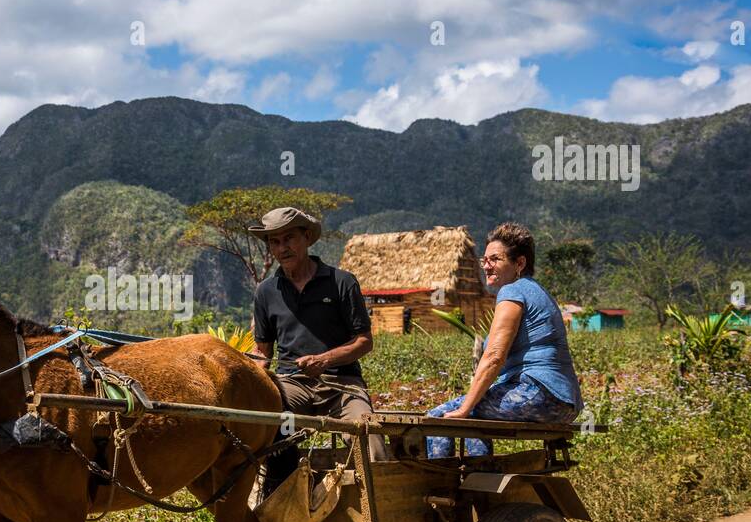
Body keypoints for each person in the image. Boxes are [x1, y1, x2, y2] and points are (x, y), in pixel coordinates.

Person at [249, 206, 388, 498]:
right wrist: (248, 368)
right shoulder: (266, 292)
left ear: (307, 238)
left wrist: (324, 360)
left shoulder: (341, 282)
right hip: (291, 385)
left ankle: (384, 510)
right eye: (274, 241)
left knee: (368, 436)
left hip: (341, 385)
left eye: (289, 238)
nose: (282, 247)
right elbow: (262, 353)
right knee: (273, 428)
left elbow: (364, 342)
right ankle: (280, 501)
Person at [425, 222, 583, 458]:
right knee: (473, 416)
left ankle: (440, 484)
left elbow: (494, 356)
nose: (486, 266)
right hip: (564, 403)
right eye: (484, 260)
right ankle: (479, 477)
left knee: (438, 417)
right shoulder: (537, 291)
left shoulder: (513, 291)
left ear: (519, 263)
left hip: (536, 393)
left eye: (495, 259)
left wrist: (465, 409)